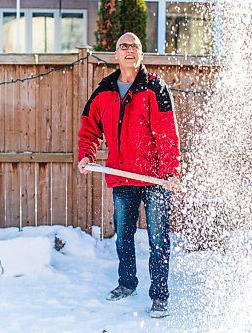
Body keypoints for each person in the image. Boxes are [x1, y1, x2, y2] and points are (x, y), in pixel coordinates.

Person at [77, 32, 180, 318]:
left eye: (134, 46)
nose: (129, 50)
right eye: (124, 46)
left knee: (158, 239)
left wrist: (171, 170)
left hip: (154, 179)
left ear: (141, 54)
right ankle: (127, 283)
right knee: (123, 236)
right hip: (121, 176)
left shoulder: (154, 88)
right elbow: (89, 128)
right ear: (116, 55)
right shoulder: (104, 90)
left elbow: (168, 135)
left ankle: (160, 295)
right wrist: (86, 154)